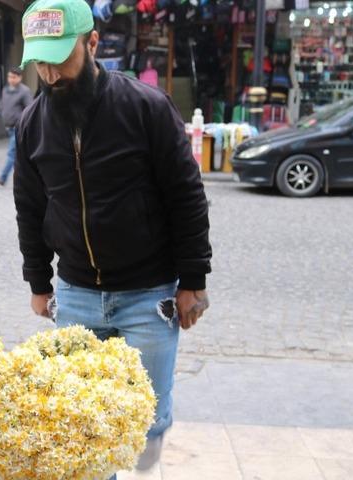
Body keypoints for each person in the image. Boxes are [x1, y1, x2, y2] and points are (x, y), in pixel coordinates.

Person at [14, 0, 211, 475]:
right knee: (83, 424)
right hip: (77, 296)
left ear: (93, 43)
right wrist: (39, 283)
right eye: (41, 61)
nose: (51, 73)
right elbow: (30, 209)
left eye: (61, 58)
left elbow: (186, 196)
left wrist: (193, 281)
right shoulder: (30, 125)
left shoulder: (146, 107)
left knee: (147, 421)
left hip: (150, 297)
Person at [0, 67, 32, 186]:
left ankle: (2, 177)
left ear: (20, 78)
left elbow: (29, 109)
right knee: (19, 155)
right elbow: (2, 104)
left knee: (11, 152)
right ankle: (27, 179)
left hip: (18, 127)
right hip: (8, 127)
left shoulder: (24, 91)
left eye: (14, 77)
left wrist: (22, 123)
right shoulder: (5, 90)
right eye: (9, 77)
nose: (11, 79)